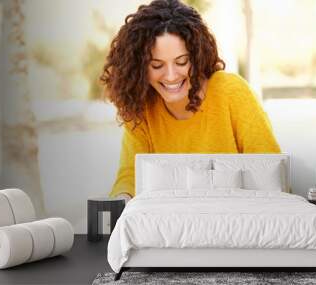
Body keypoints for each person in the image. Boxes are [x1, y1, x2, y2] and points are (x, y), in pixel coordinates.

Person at [100, 0, 281, 202]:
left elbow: (271, 173)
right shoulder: (141, 107)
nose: (170, 76)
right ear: (139, 67)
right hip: (169, 225)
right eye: (157, 65)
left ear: (197, 56)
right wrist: (122, 201)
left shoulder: (231, 91)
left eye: (181, 62)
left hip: (236, 219)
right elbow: (130, 176)